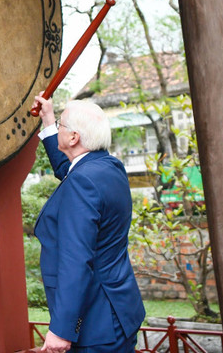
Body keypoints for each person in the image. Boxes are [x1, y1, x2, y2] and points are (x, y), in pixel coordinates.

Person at [31, 94, 146, 353]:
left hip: (96, 325)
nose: (58, 126)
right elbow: (70, 170)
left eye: (61, 124)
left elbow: (76, 259)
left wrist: (62, 329)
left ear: (73, 138)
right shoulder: (109, 169)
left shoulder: (82, 183)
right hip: (119, 311)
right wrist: (49, 120)